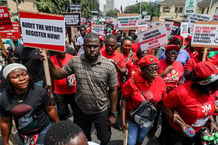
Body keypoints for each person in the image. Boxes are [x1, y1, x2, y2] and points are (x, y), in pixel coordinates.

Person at [40, 32, 118, 145]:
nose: (92, 49)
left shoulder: (108, 66)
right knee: (83, 138)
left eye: (95, 46)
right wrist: (48, 60)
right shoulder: (75, 61)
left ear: (100, 46)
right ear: (83, 46)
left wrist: (113, 114)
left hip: (101, 111)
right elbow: (57, 75)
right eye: (88, 46)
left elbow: (114, 90)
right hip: (81, 110)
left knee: (104, 138)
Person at [159, 61, 218, 145]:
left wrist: (211, 121)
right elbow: (164, 105)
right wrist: (180, 124)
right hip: (177, 132)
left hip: (196, 131)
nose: (215, 88)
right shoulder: (180, 93)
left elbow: (207, 105)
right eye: (214, 85)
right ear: (204, 84)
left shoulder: (210, 91)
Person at [0, 63, 59, 145]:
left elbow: (50, 109)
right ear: (8, 80)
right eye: (16, 77)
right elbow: (5, 122)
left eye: (24, 74)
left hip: (44, 130)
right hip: (24, 135)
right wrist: (5, 141)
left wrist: (58, 125)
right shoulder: (4, 99)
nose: (22, 78)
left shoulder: (39, 91)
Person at [122, 55, 166, 145]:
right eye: (150, 69)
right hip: (132, 118)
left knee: (141, 139)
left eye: (156, 68)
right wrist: (123, 121)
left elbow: (163, 101)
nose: (154, 72)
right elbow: (124, 100)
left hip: (148, 118)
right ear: (142, 70)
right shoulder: (132, 81)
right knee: (131, 142)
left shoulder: (161, 82)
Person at [50, 52, 77, 120]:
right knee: (62, 113)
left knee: (77, 111)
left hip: (73, 91)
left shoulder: (72, 58)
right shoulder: (51, 60)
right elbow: (50, 76)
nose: (62, 52)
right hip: (59, 92)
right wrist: (50, 92)